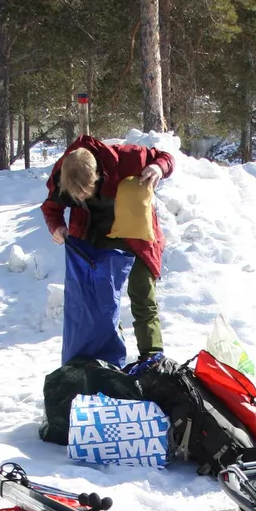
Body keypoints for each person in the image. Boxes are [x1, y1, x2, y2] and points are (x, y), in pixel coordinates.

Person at [41, 134, 175, 368]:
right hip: (97, 240)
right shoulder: (63, 173)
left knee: (143, 295)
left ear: (98, 176)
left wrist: (157, 167)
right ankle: (110, 360)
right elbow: (51, 207)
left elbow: (166, 157)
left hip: (136, 237)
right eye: (76, 195)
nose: (81, 197)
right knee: (102, 304)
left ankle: (152, 359)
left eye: (86, 192)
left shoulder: (125, 158)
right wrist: (57, 226)